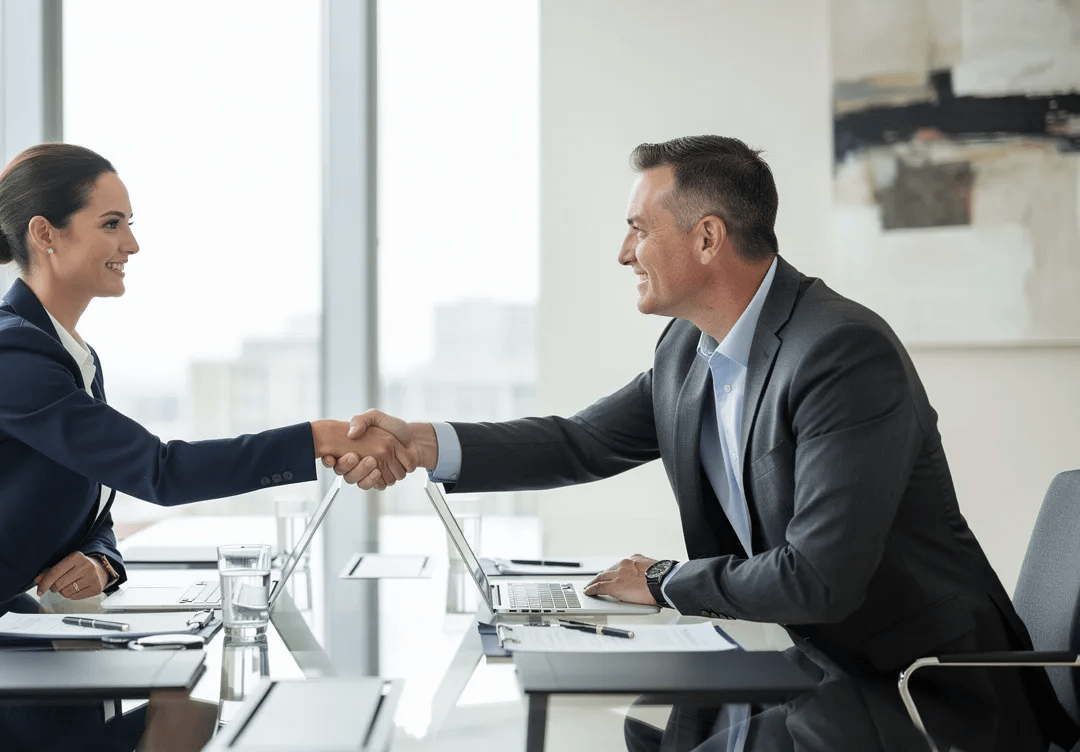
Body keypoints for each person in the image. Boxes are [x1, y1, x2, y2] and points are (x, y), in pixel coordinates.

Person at [325, 136, 1078, 751]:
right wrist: (422, 441)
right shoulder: (687, 353)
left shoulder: (842, 354)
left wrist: (663, 581)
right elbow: (580, 442)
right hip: (825, 664)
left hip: (923, 689)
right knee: (647, 724)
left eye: (639, 228)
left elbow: (819, 580)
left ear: (708, 236)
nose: (624, 252)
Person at [0, 143, 413, 672]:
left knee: (189, 712)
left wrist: (102, 561)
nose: (130, 244)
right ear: (46, 234)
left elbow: (92, 504)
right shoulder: (8, 355)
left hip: (19, 625)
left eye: (129, 225)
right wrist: (316, 438)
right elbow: (156, 471)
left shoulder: (66, 351)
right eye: (111, 224)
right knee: (189, 715)